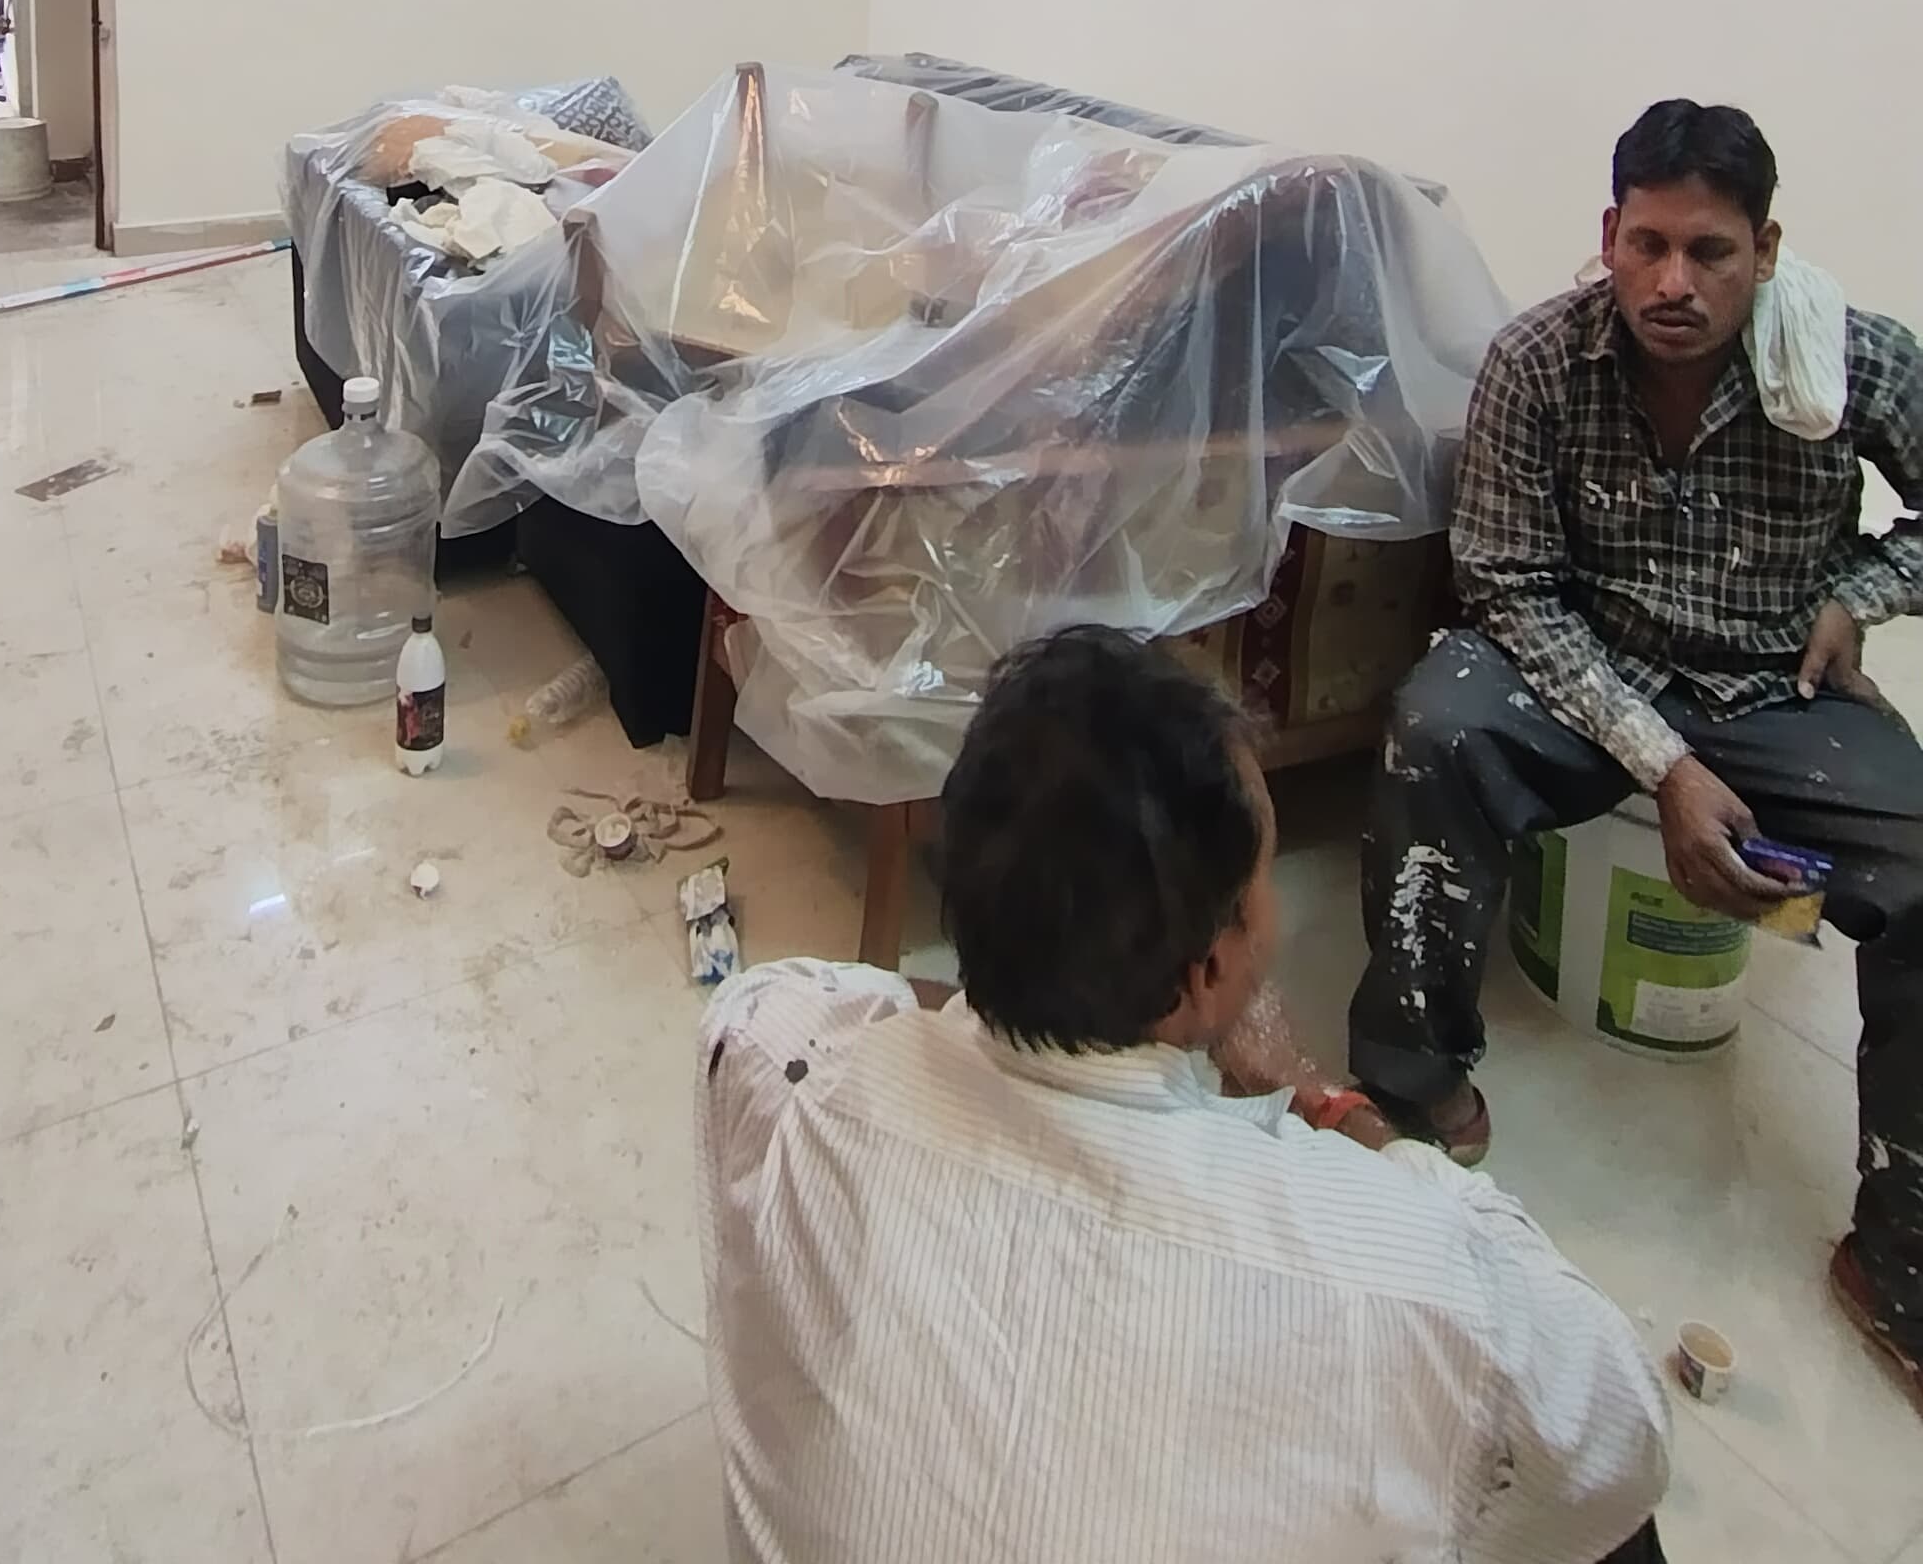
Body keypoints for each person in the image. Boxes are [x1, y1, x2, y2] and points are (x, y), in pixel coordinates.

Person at [698, 626, 1669, 1563]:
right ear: (1205, 971)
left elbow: (796, 996)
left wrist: (1016, 988)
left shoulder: (787, 1067)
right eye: (1266, 878)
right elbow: (1623, 1430)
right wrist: (1327, 1102)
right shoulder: (1415, 1281)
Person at [1350, 98, 1923, 1402]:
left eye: (1710, 251)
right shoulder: (1540, 359)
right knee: (1437, 726)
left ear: (1765, 249)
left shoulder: (1849, 359)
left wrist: (1864, 592)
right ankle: (1410, 1078)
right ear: (1610, 233)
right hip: (1584, 665)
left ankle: (1899, 1257)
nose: (1673, 283)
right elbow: (1506, 583)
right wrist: (1664, 762)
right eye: (1648, 244)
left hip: (1775, 684)